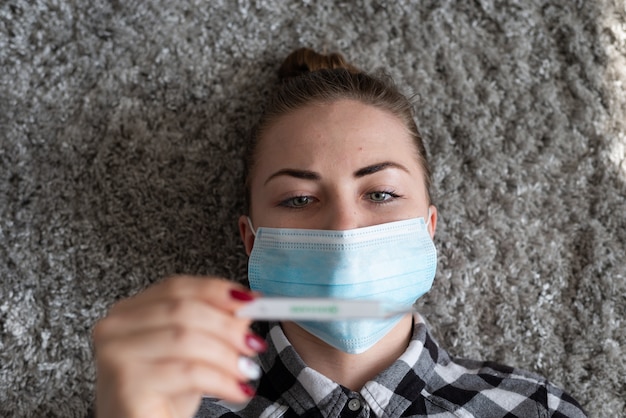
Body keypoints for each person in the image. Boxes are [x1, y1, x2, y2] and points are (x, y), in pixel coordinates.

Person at [93, 48, 587, 418]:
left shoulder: (533, 408)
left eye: (381, 193)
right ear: (251, 241)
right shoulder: (162, 407)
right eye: (299, 200)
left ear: (429, 229)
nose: (345, 227)